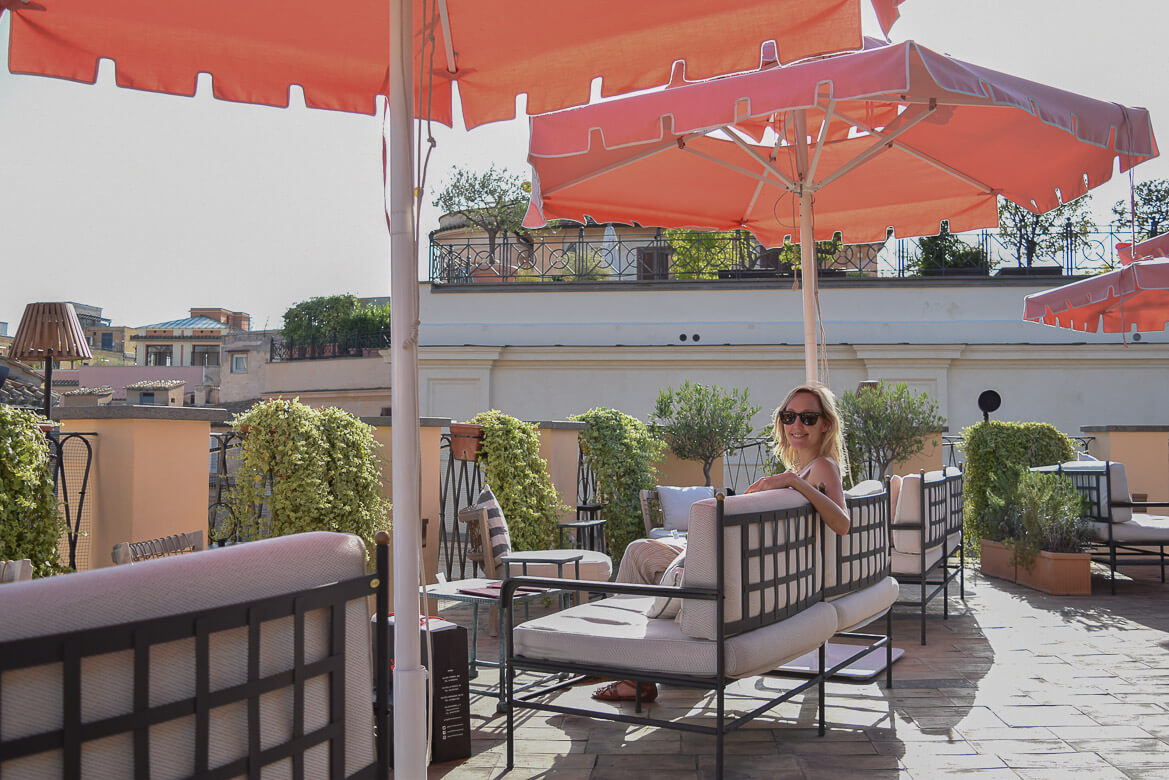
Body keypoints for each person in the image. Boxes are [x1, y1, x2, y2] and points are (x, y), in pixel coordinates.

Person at [593, 382, 850, 703]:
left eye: (808, 418)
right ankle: (630, 666)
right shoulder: (804, 469)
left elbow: (841, 523)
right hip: (742, 562)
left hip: (735, 569)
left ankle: (624, 664)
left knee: (639, 554)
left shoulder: (821, 467)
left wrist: (792, 481)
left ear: (825, 424)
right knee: (638, 551)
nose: (796, 425)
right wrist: (788, 479)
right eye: (789, 416)